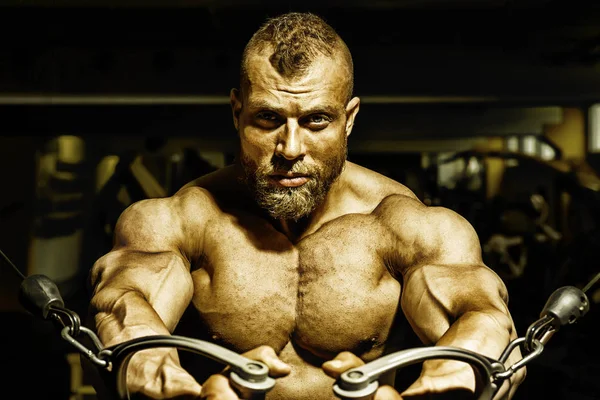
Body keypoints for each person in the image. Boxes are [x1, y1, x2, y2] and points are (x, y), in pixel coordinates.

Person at [85, 12, 525, 400]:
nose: (291, 148)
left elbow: (481, 314)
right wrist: (142, 350)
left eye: (316, 120)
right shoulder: (178, 220)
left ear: (349, 119)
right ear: (237, 112)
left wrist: (463, 363)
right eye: (268, 118)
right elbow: (124, 299)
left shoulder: (407, 226)